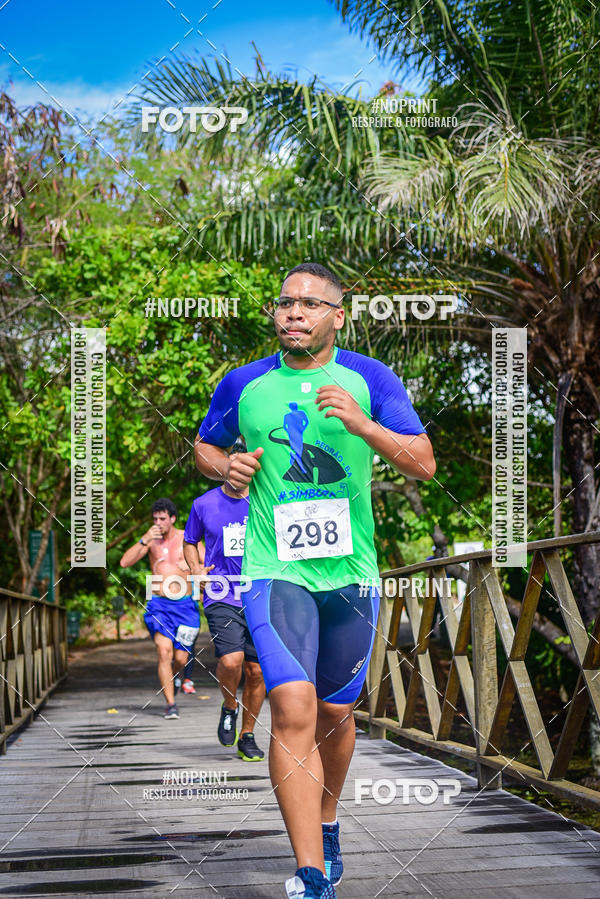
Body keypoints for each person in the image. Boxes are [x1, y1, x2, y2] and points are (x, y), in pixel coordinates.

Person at [193, 262, 436, 899]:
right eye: (284, 303)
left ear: (338, 315)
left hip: (351, 575)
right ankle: (309, 871)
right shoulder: (244, 384)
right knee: (293, 707)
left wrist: (362, 425)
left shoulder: (370, 379)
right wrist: (229, 468)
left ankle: (327, 820)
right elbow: (205, 446)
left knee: (334, 710)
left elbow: (423, 465)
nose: (294, 313)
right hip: (276, 572)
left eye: (310, 304)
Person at [183, 466, 267, 762]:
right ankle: (230, 706)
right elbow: (190, 541)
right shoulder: (203, 504)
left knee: (257, 671)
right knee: (232, 660)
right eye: (231, 466)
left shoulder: (265, 498)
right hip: (221, 592)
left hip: (262, 594)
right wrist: (195, 568)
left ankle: (247, 735)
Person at [119, 498, 202, 720]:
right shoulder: (150, 543)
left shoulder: (187, 537)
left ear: (172, 519)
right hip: (159, 606)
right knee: (163, 651)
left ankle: (176, 676)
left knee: (181, 659)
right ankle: (171, 704)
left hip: (185, 606)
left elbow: (209, 561)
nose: (158, 523)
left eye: (162, 518)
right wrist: (144, 539)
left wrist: (194, 565)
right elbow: (124, 563)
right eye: (155, 518)